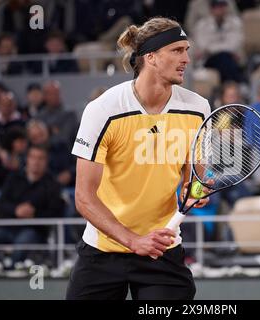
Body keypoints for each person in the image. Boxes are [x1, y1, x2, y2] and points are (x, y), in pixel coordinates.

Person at [66, 17, 211, 300]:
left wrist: (195, 190)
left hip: (162, 250)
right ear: (151, 57)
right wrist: (134, 241)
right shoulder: (103, 110)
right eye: (178, 50)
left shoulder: (198, 108)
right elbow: (84, 197)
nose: (187, 59)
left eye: (187, 50)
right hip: (103, 252)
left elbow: (195, 178)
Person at [0, 145, 65, 268]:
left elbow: (56, 212)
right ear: (27, 159)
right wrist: (16, 210)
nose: (36, 161)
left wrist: (34, 214)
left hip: (34, 230)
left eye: (41, 158)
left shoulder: (52, 184)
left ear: (46, 161)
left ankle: (12, 273)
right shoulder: (13, 178)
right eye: (33, 157)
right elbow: (1, 204)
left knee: (22, 245)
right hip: (9, 227)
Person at [193, 0, 244, 83]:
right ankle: (236, 83)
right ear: (212, 9)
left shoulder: (235, 23)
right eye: (217, 6)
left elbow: (233, 45)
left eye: (222, 6)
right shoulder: (202, 24)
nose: (220, 9)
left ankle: (227, 87)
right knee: (224, 59)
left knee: (224, 59)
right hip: (209, 59)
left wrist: (213, 47)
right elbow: (203, 46)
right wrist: (222, 47)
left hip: (229, 58)